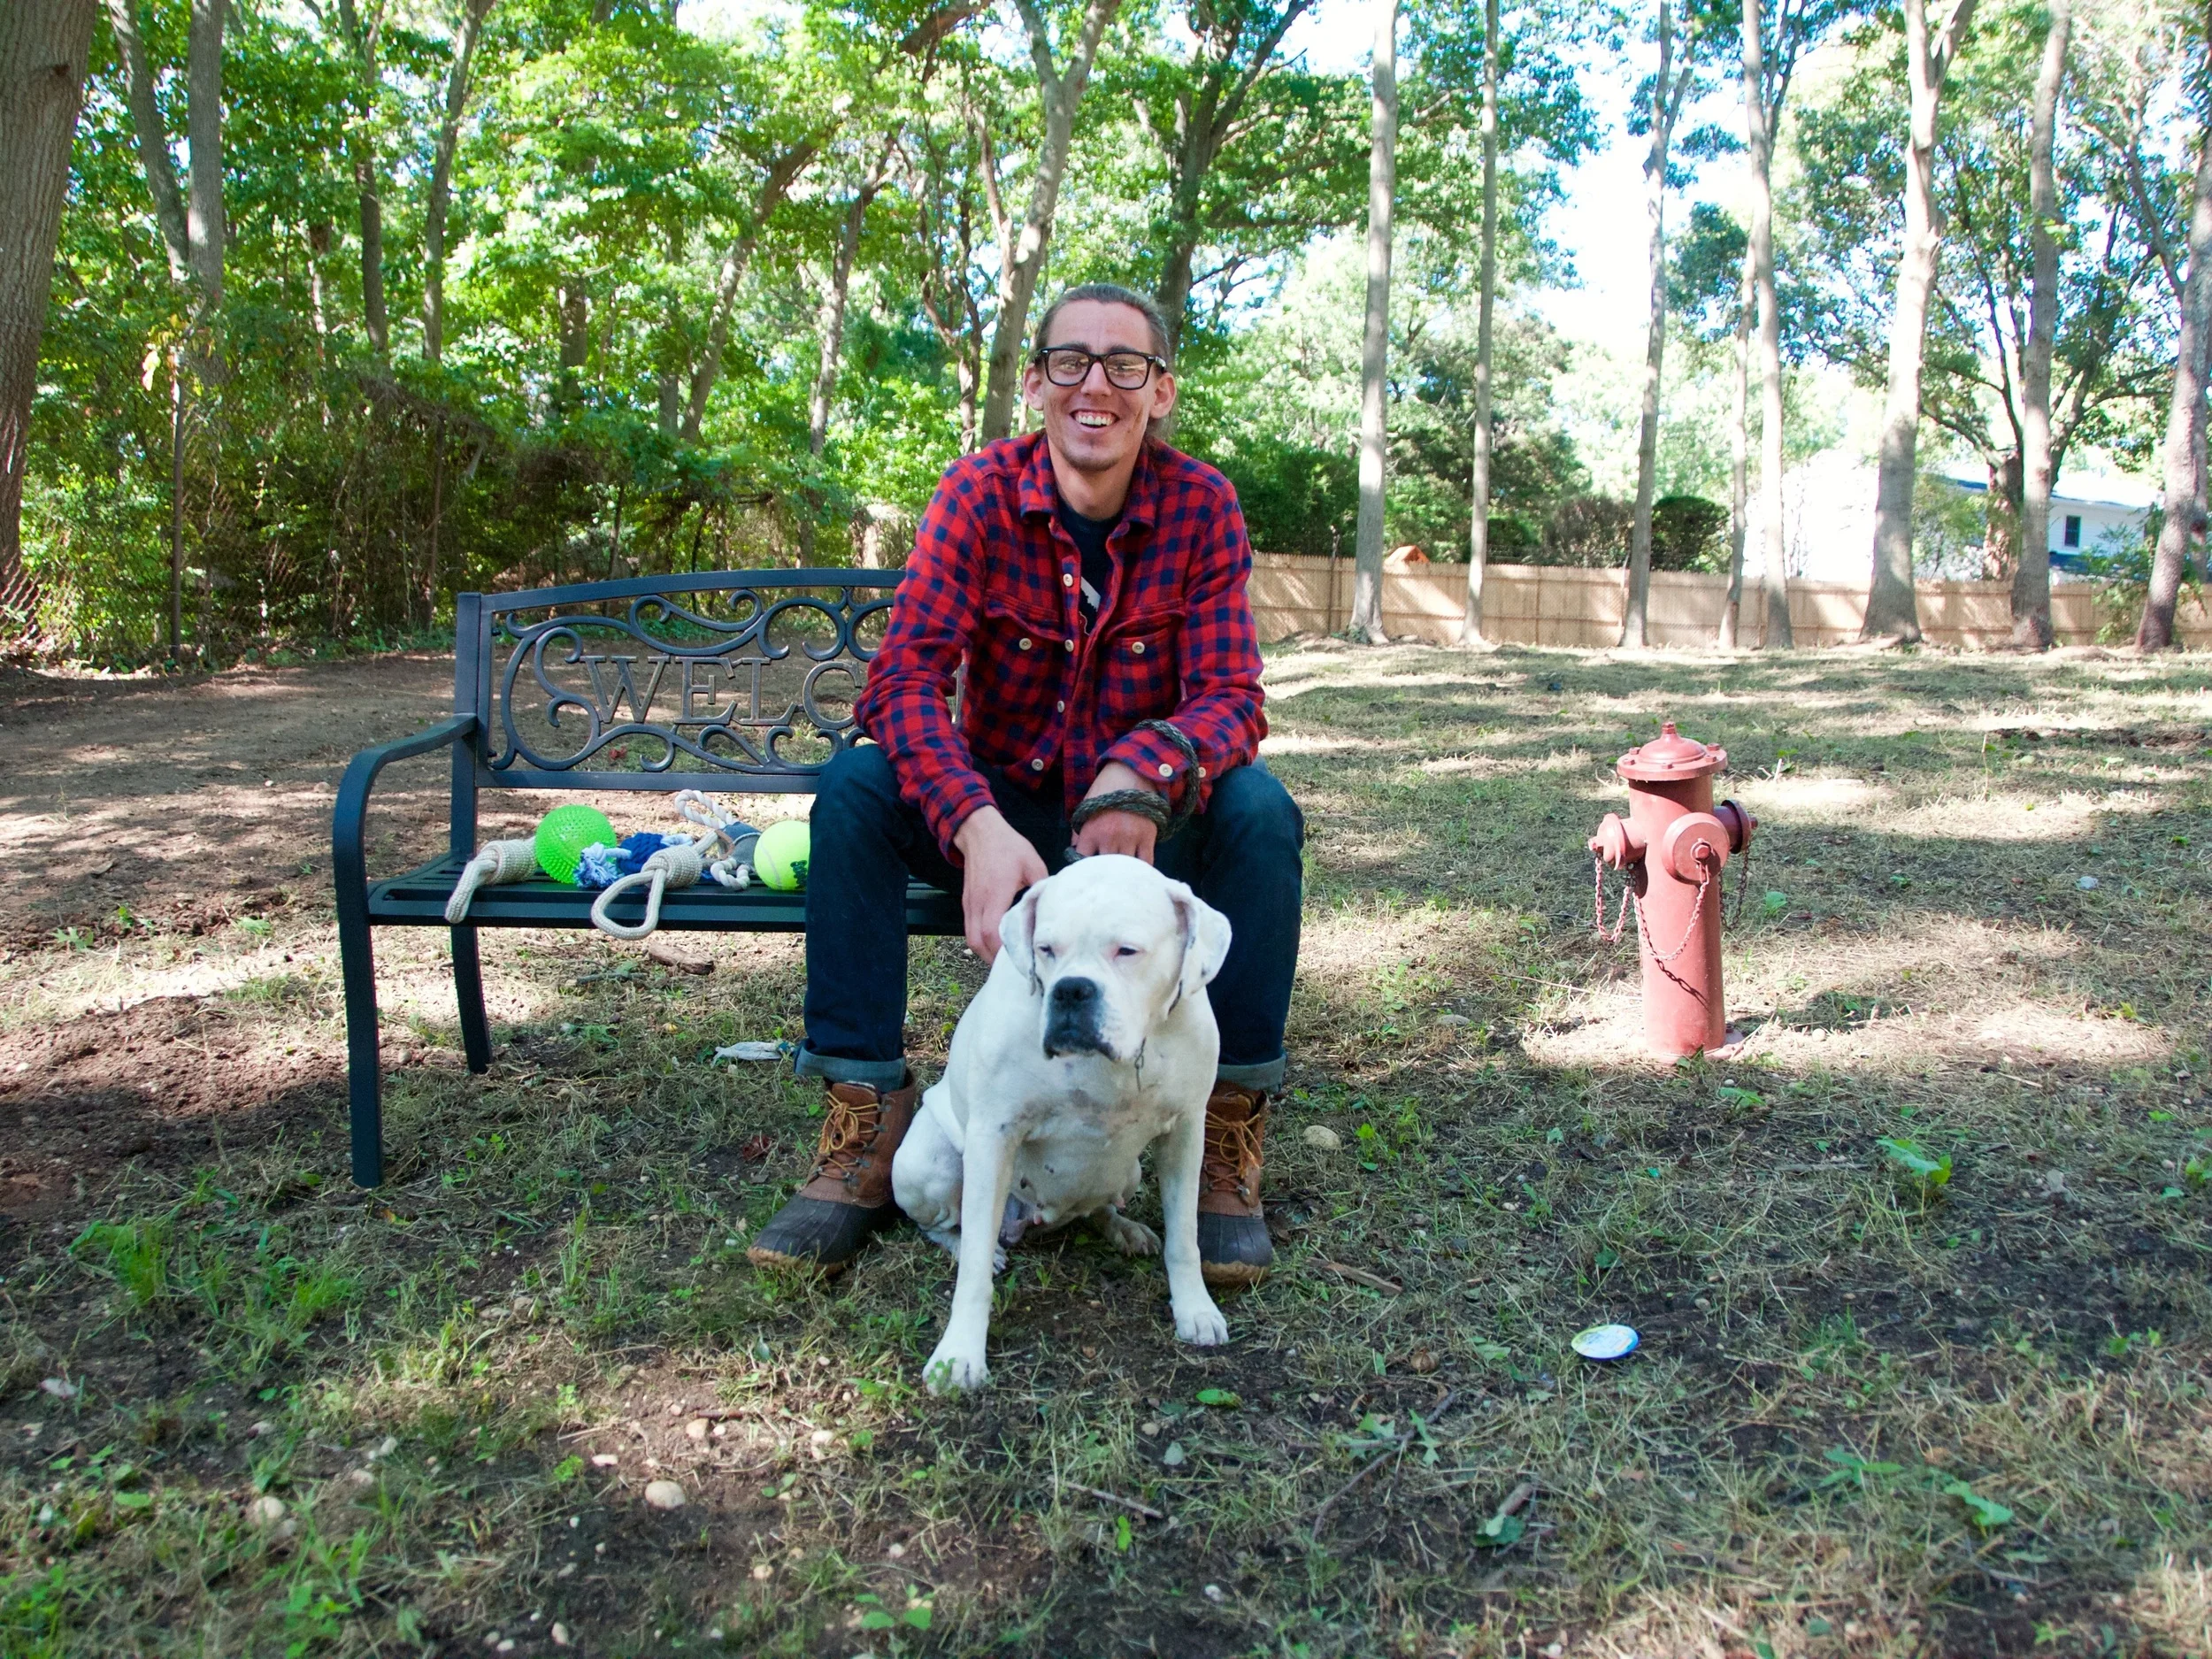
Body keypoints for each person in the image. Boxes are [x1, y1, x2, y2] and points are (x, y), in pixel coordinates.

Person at [747, 282, 1304, 1286]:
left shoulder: (1201, 504)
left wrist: (1144, 771)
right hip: (999, 798)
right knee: (856, 792)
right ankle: (867, 1122)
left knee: (1261, 812)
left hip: (1134, 826)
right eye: (1070, 362)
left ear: (1161, 390)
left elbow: (1231, 697)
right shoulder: (977, 493)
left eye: (1124, 365)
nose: (1096, 385)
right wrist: (971, 823)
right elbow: (904, 678)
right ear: (1035, 381)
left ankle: (1224, 1134)